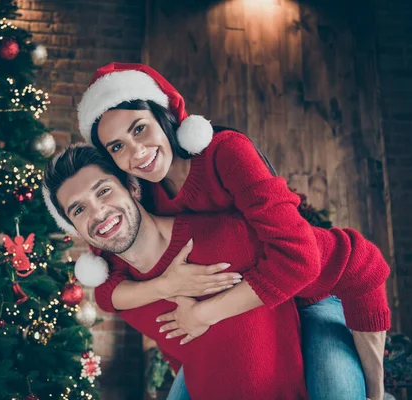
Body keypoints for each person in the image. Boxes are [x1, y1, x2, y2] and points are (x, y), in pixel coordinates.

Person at [71, 63, 389, 400]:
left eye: (139, 129)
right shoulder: (142, 196)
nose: (136, 152)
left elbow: (300, 259)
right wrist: (167, 285)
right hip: (251, 309)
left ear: (163, 116)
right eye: (116, 147)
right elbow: (106, 287)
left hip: (314, 295)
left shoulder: (225, 153)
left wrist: (201, 314)